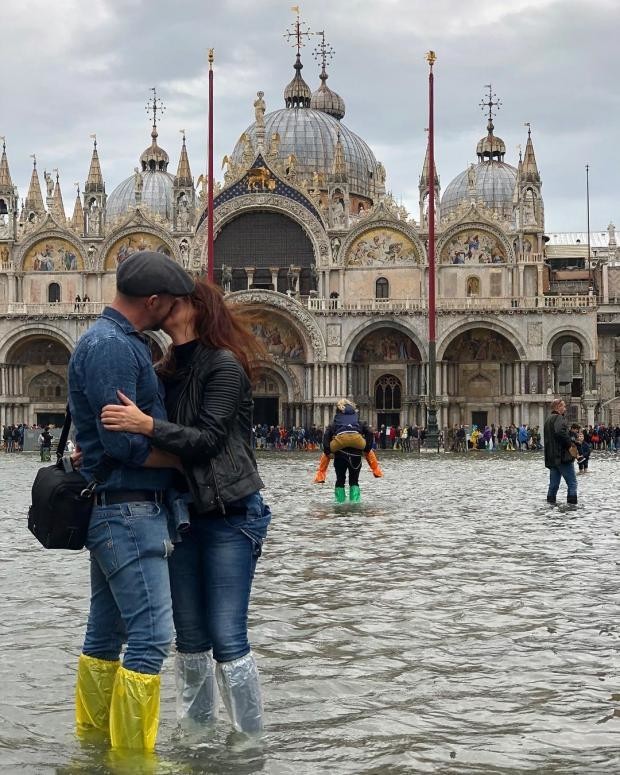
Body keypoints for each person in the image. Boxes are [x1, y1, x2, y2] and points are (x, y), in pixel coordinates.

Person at [101, 278, 272, 738]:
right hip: (181, 515)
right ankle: (197, 737)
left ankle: (247, 743)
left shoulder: (225, 364)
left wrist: (146, 425)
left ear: (198, 307)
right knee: (190, 635)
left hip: (231, 515)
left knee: (227, 635)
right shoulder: (164, 369)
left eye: (176, 299)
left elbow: (209, 440)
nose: (165, 305)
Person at [69, 250, 194, 751]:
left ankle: (94, 747)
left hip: (115, 507)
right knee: (151, 636)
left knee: (105, 635)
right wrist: (181, 459)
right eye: (173, 303)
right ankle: (134, 758)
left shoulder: (110, 341)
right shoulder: (114, 347)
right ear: (154, 300)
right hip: (128, 509)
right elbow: (124, 444)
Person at [314, 399, 381, 502]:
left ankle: (339, 501)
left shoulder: (335, 422)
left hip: (340, 455)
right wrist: (366, 449)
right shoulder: (358, 422)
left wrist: (328, 452)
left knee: (340, 480)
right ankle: (355, 502)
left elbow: (326, 436)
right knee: (354, 481)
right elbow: (369, 432)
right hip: (356, 455)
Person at [543, 398, 578, 505]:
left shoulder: (547, 420)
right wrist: (570, 444)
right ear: (558, 407)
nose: (565, 408)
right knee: (572, 483)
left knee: (553, 485)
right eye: (564, 406)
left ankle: (550, 505)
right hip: (562, 457)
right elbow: (559, 432)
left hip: (552, 458)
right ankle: (572, 507)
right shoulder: (559, 418)